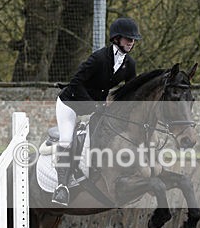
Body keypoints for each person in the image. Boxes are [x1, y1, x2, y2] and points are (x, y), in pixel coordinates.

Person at [51, 17, 142, 205]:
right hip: (71, 104)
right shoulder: (98, 58)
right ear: (116, 38)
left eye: (133, 40)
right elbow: (76, 83)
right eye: (128, 39)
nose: (131, 42)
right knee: (67, 139)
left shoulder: (129, 64)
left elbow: (130, 92)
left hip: (96, 107)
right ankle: (61, 187)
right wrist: (94, 104)